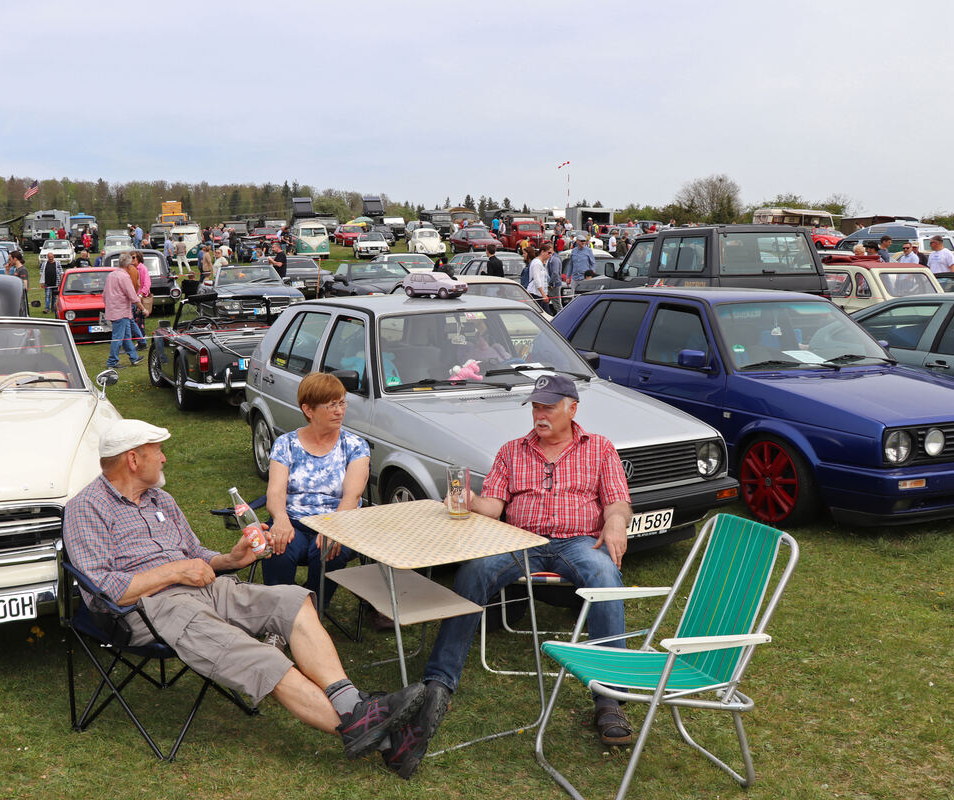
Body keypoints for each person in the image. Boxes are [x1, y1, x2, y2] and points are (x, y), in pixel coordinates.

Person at [62, 419, 430, 778]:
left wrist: (230, 559)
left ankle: (356, 708)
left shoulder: (161, 498)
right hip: (150, 610)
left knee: (293, 600)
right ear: (132, 459)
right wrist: (175, 572)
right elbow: (101, 587)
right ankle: (388, 742)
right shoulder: (87, 507)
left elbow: (195, 552)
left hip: (205, 587)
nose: (164, 458)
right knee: (263, 656)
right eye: (157, 450)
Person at [420, 373, 635, 749]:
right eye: (536, 406)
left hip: (579, 541)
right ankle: (438, 683)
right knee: (473, 573)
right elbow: (494, 507)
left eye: (548, 407)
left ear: (572, 408)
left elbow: (618, 500)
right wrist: (470, 501)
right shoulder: (510, 451)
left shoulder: (600, 448)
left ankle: (609, 697)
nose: (540, 414)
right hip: (520, 541)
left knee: (604, 573)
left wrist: (616, 522)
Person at [264, 373, 366, 606]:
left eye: (342, 403)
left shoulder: (354, 446)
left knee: (331, 551)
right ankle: (278, 614)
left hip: (338, 519)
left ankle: (309, 610)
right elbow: (276, 492)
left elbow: (353, 495)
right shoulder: (286, 444)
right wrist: (280, 519)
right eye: (331, 405)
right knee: (278, 546)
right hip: (294, 520)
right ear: (309, 410)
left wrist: (334, 527)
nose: (340, 411)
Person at [104, 253, 141, 368]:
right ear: (129, 266)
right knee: (118, 338)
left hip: (116, 311)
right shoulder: (124, 277)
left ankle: (134, 357)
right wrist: (143, 308)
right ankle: (112, 362)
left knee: (125, 336)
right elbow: (132, 296)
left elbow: (104, 295)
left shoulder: (111, 275)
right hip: (121, 312)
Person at [526, 244, 552, 312]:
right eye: (549, 253)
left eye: (551, 253)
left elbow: (544, 278)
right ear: (542, 252)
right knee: (544, 315)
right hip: (536, 294)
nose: (550, 255)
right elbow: (537, 279)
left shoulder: (541, 263)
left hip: (541, 294)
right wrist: (543, 294)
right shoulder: (537, 263)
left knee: (546, 315)